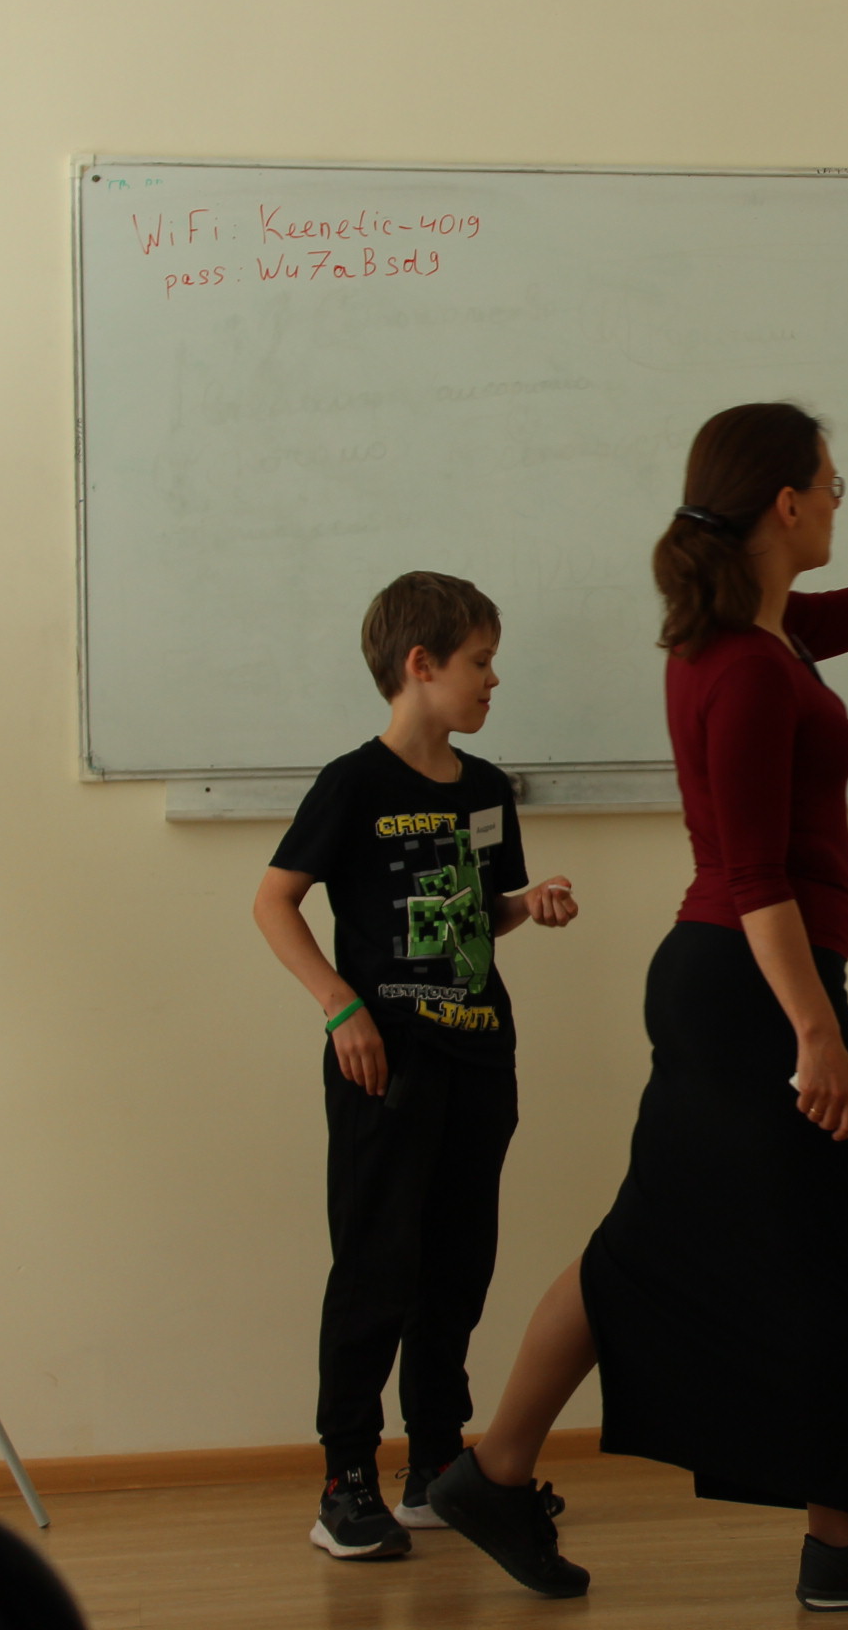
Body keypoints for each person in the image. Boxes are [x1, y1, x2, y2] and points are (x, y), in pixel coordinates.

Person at [431, 402, 848, 1610]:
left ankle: (495, 1471)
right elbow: (761, 878)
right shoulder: (751, 671)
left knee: (647, 1244)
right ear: (786, 502)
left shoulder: (761, 638)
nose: (840, 501)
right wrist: (817, 1033)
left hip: (726, 982)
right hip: (756, 989)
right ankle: (840, 1546)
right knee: (816, 1256)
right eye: (832, 483)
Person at [253, 571, 580, 1562]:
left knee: (456, 1268)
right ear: (421, 664)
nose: (494, 681)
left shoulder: (485, 789)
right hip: (384, 1068)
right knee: (376, 1268)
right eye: (481, 662)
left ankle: (437, 1465)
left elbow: (473, 917)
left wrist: (530, 904)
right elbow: (274, 902)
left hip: (479, 1056)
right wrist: (340, 1006)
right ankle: (345, 1480)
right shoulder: (353, 783)